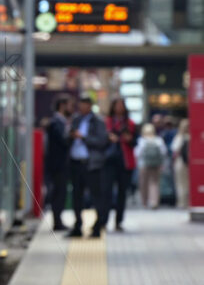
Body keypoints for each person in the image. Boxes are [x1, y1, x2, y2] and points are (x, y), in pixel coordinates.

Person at [68, 94, 109, 238]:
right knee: (76, 196)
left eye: (84, 104)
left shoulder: (98, 121)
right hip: (75, 163)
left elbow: (102, 141)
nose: (82, 107)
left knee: (96, 197)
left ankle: (98, 226)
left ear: (90, 106)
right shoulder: (76, 120)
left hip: (91, 164)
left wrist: (83, 137)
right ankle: (77, 226)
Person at [104, 97, 137, 231]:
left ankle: (118, 221)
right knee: (106, 191)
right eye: (116, 105)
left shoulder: (130, 123)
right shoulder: (106, 122)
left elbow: (135, 142)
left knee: (122, 192)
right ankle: (103, 220)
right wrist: (109, 139)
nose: (119, 108)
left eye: (121, 105)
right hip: (109, 162)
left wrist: (129, 139)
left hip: (125, 162)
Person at [45, 94, 74, 231]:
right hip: (58, 165)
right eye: (69, 105)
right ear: (62, 106)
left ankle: (58, 220)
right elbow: (63, 141)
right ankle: (57, 222)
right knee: (59, 193)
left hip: (60, 165)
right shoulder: (57, 122)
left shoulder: (61, 122)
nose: (71, 108)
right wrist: (72, 136)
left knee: (61, 193)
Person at [135, 123, 166, 208]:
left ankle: (144, 202)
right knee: (154, 183)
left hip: (143, 164)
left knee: (143, 184)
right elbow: (163, 152)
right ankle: (154, 202)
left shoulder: (142, 140)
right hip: (156, 164)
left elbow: (137, 153)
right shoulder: (158, 140)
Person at [171, 118, 190, 208]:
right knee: (189, 183)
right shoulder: (193, 136)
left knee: (180, 183)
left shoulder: (179, 137)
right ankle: (190, 201)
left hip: (180, 162)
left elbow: (174, 150)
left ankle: (182, 202)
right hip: (191, 163)